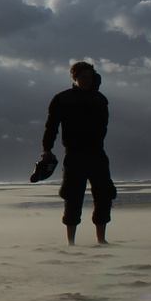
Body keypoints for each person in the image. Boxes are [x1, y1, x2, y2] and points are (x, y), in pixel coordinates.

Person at [42, 61, 115, 245]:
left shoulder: (100, 99)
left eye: (89, 77)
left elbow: (104, 126)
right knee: (73, 196)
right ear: (74, 78)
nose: (87, 81)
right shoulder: (62, 99)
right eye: (83, 77)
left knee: (104, 195)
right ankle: (71, 242)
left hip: (97, 153)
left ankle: (101, 239)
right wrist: (47, 149)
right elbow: (51, 126)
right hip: (74, 154)